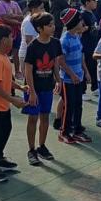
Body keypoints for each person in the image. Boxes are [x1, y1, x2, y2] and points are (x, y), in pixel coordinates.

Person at [0, 24, 26, 183]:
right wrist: (13, 99)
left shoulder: (4, 58)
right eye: (10, 37)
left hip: (2, 106)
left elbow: (7, 80)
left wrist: (19, 87)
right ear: (3, 41)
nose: (12, 39)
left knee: (5, 131)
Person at [21, 12, 62, 165]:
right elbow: (28, 69)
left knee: (45, 117)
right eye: (49, 25)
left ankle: (42, 146)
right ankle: (31, 149)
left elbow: (55, 64)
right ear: (39, 28)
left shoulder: (55, 43)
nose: (53, 27)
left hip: (47, 87)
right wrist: (31, 91)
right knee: (33, 118)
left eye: (53, 24)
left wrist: (58, 80)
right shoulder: (33, 46)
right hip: (34, 88)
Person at [58, 7, 91, 144]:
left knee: (78, 104)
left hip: (79, 77)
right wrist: (71, 75)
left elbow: (81, 57)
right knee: (69, 106)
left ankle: (77, 130)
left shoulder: (77, 36)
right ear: (73, 23)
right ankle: (64, 132)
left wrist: (86, 72)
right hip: (68, 80)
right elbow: (61, 61)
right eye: (79, 20)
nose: (82, 22)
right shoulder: (65, 40)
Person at [0, 0, 24, 78]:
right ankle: (6, 72)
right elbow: (4, 18)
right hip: (4, 32)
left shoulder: (14, 4)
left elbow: (21, 16)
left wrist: (12, 17)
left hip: (16, 31)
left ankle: (17, 71)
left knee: (16, 52)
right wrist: (16, 19)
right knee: (5, 52)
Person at [79, 0, 100, 100]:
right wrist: (84, 28)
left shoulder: (92, 13)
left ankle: (95, 87)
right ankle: (82, 91)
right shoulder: (82, 14)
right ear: (87, 3)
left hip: (93, 45)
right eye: (93, 0)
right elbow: (80, 30)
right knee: (84, 67)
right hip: (85, 46)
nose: (96, 2)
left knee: (93, 66)